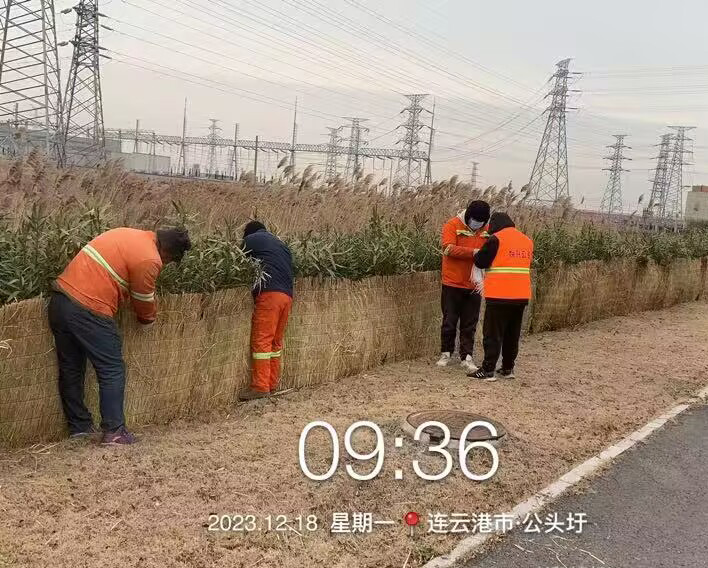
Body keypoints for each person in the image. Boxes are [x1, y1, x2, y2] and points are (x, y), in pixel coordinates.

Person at [48, 227, 192, 444]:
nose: (165, 265)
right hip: (89, 308)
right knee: (112, 369)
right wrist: (148, 320)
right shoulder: (150, 258)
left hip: (60, 300)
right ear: (167, 253)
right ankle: (114, 431)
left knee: (71, 367)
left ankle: (80, 427)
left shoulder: (128, 235)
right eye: (169, 261)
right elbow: (143, 298)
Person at [467, 212, 533, 382]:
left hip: (499, 295)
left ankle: (487, 370)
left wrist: (478, 251)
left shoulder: (496, 239)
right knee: (512, 334)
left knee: (493, 334)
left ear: (495, 224)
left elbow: (481, 261)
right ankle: (508, 368)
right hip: (521, 296)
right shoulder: (526, 240)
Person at [238, 221, 294, 401]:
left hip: (270, 295)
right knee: (275, 343)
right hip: (287, 296)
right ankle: (271, 383)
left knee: (262, 341)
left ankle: (260, 387)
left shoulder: (251, 240)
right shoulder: (281, 244)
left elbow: (236, 261)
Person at [437, 200, 490, 373]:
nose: (477, 224)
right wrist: (474, 253)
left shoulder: (487, 230)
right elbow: (448, 248)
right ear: (468, 216)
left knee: (470, 323)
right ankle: (446, 353)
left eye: (481, 221)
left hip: (475, 284)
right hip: (452, 282)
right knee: (449, 321)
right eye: (475, 220)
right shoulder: (452, 225)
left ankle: (466, 357)